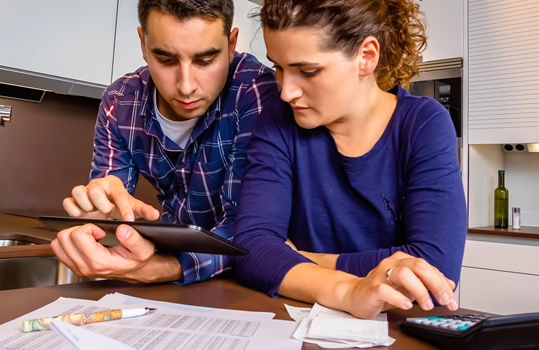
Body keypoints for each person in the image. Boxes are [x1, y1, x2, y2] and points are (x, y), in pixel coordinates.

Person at [234, 0, 467, 319]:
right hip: (298, 319)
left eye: (307, 71)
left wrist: (299, 258)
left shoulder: (423, 124)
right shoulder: (278, 119)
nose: (287, 92)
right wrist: (348, 289)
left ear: (366, 56)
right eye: (279, 67)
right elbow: (251, 248)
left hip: (397, 326)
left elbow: (433, 267)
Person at [51, 0, 282, 285]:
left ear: (231, 44)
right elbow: (109, 204)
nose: (186, 86)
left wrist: (162, 268)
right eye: (166, 59)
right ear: (143, 44)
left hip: (241, 279)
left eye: (205, 60)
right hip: (170, 274)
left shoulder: (256, 92)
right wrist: (101, 216)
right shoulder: (120, 102)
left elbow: (249, 229)